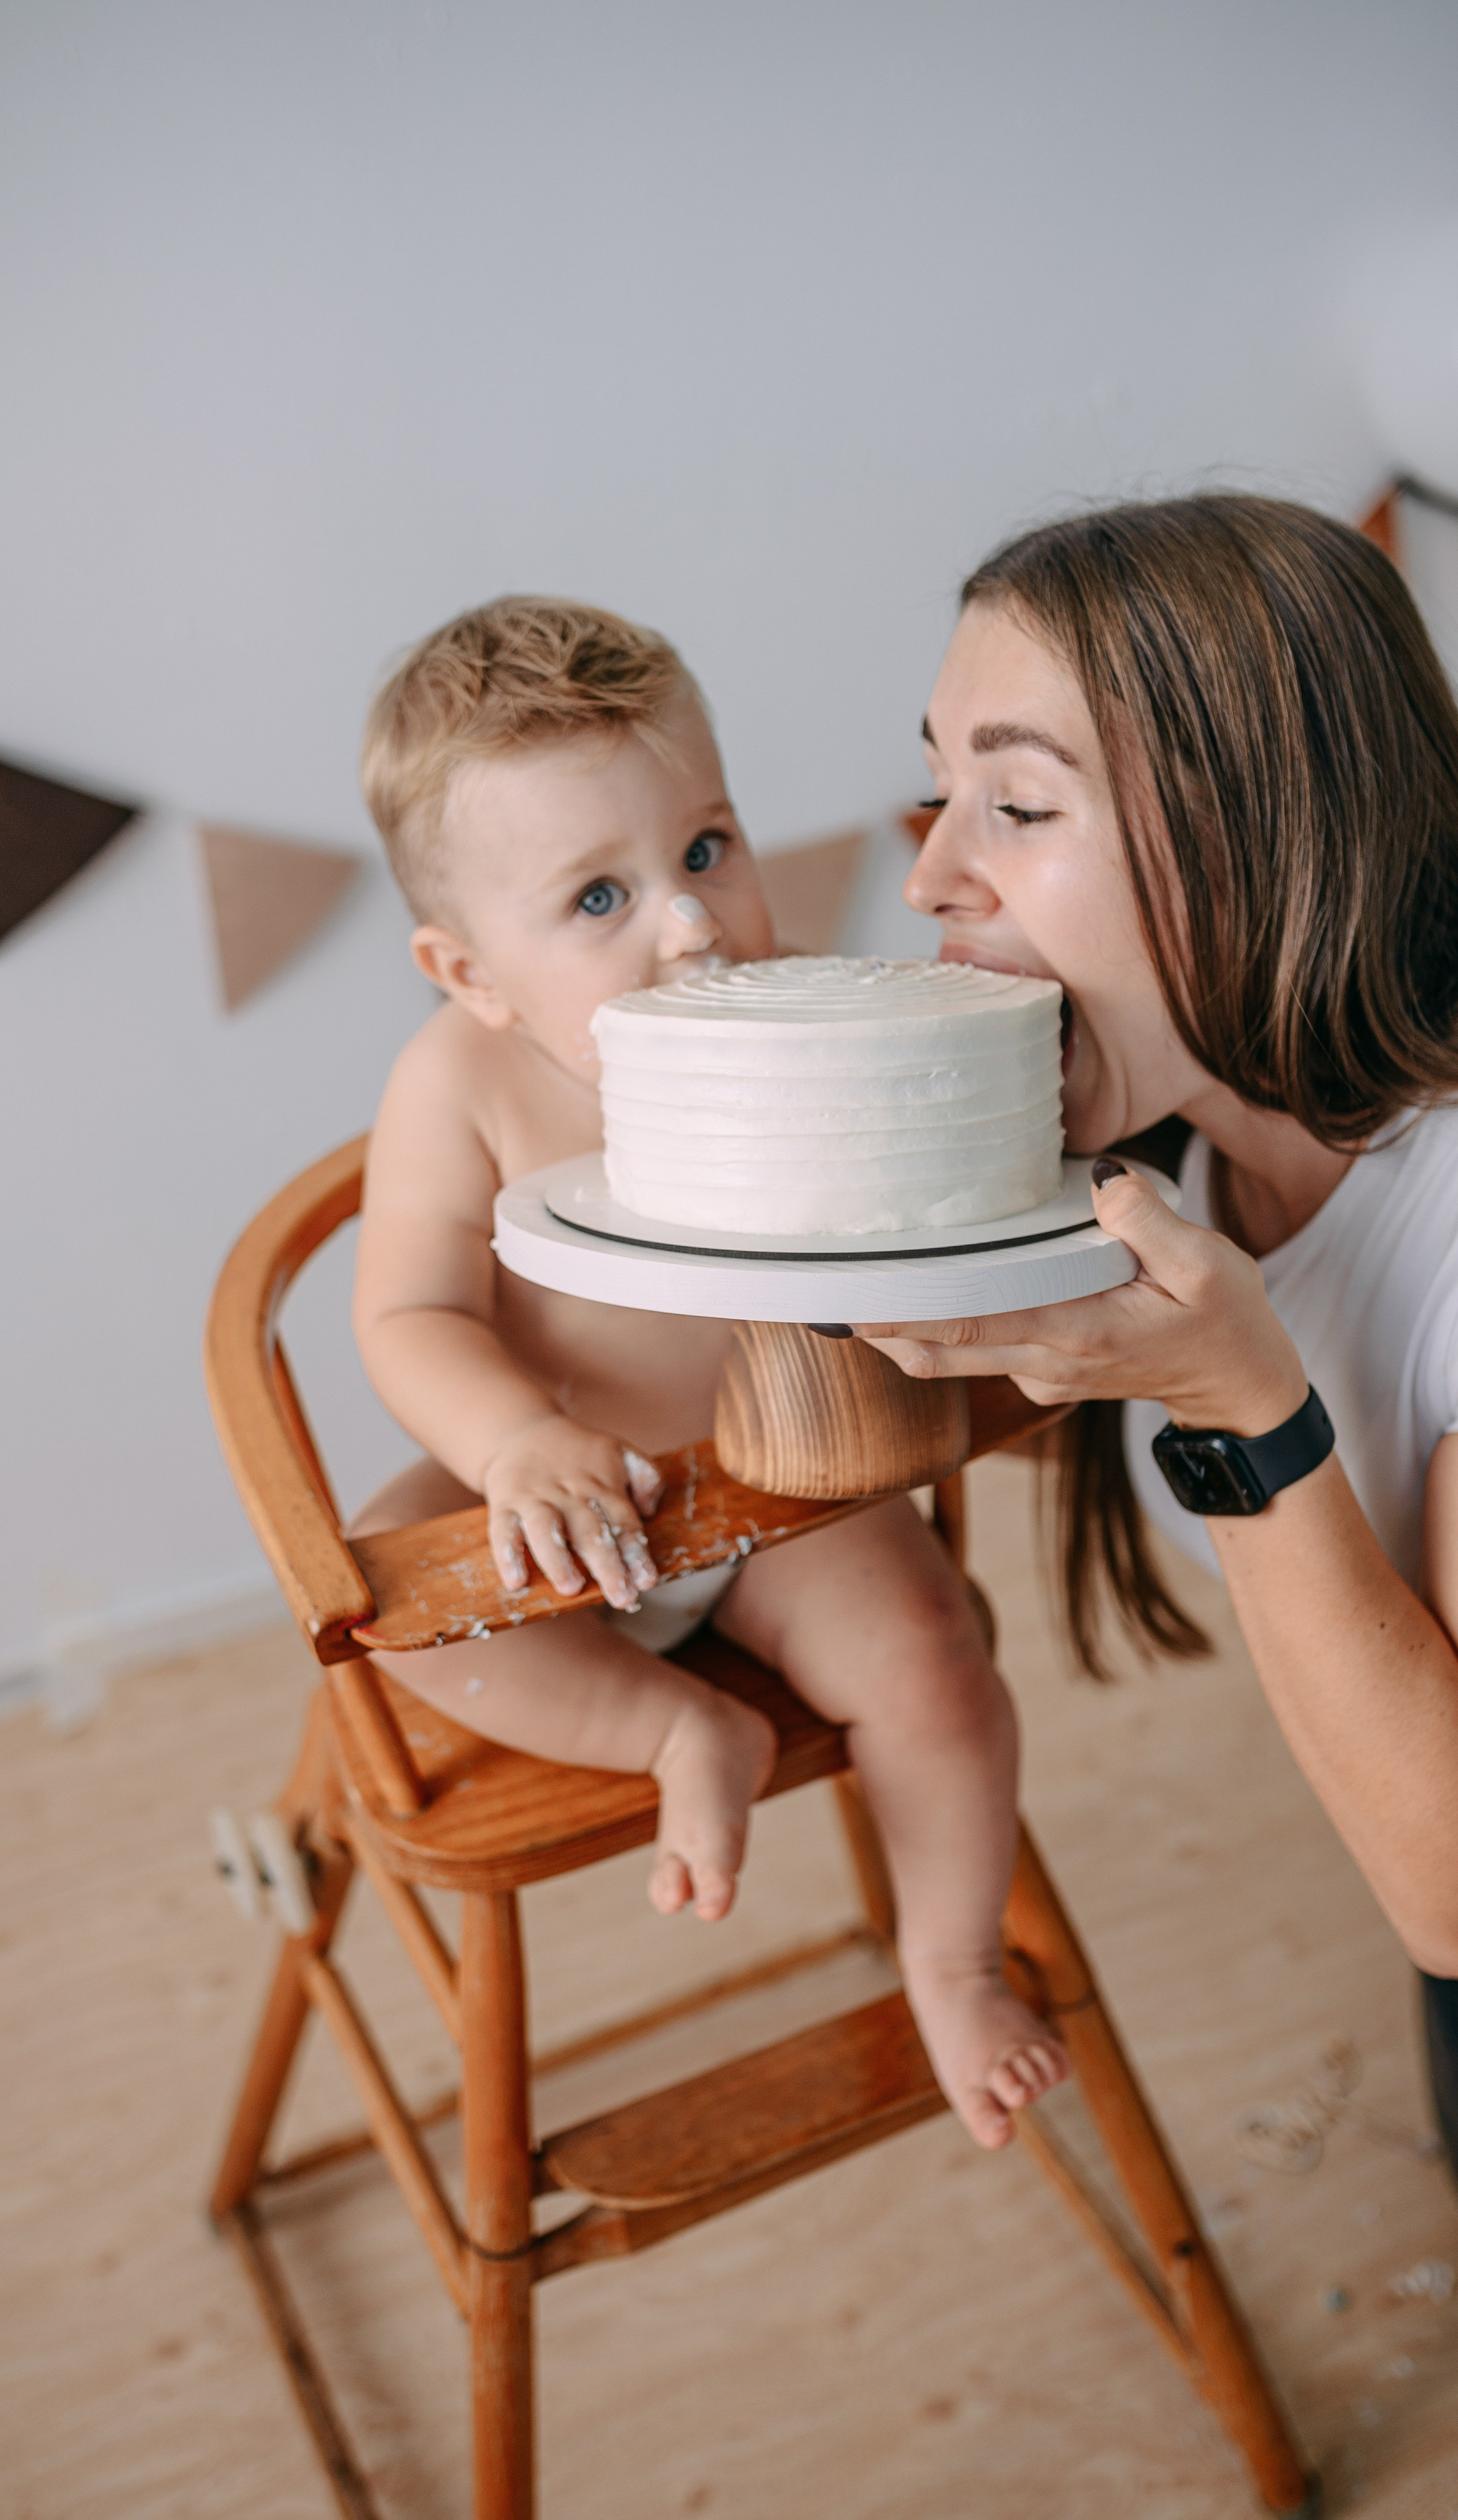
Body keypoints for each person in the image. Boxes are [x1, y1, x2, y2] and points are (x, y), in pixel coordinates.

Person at [855, 495, 1458, 2430]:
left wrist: (1242, 1407)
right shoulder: (1188, 1148)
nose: (933, 869)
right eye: (936, 791)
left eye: (1017, 806)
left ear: (1261, 829)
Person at [347, 594, 1067, 2148]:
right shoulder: (459, 1082)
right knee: (393, 1603)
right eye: (596, 898)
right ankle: (676, 1730)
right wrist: (513, 1442)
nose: (688, 926)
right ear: (467, 970)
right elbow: (408, 1315)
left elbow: (883, 1215)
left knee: (936, 1663)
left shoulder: (788, 1020)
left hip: (765, 1479)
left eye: (703, 851)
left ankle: (948, 1959)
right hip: (569, 1499)